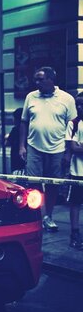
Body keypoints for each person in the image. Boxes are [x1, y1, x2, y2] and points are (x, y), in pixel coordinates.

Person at [19, 66, 77, 232]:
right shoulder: (31, 97)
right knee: (33, 183)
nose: (36, 83)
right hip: (34, 147)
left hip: (57, 149)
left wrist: (68, 152)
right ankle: (35, 215)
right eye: (35, 79)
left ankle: (48, 216)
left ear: (51, 80)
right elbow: (24, 122)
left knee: (52, 185)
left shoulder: (66, 99)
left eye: (40, 79)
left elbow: (72, 126)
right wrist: (21, 146)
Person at [65, 92, 83, 250]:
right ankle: (75, 233)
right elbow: (74, 147)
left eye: (82, 104)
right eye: (77, 104)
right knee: (75, 203)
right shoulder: (74, 124)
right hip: (77, 171)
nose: (79, 107)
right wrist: (78, 147)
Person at [4, 108, 26, 175]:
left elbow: (6, 143)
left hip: (15, 158)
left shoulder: (14, 130)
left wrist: (6, 137)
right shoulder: (28, 130)